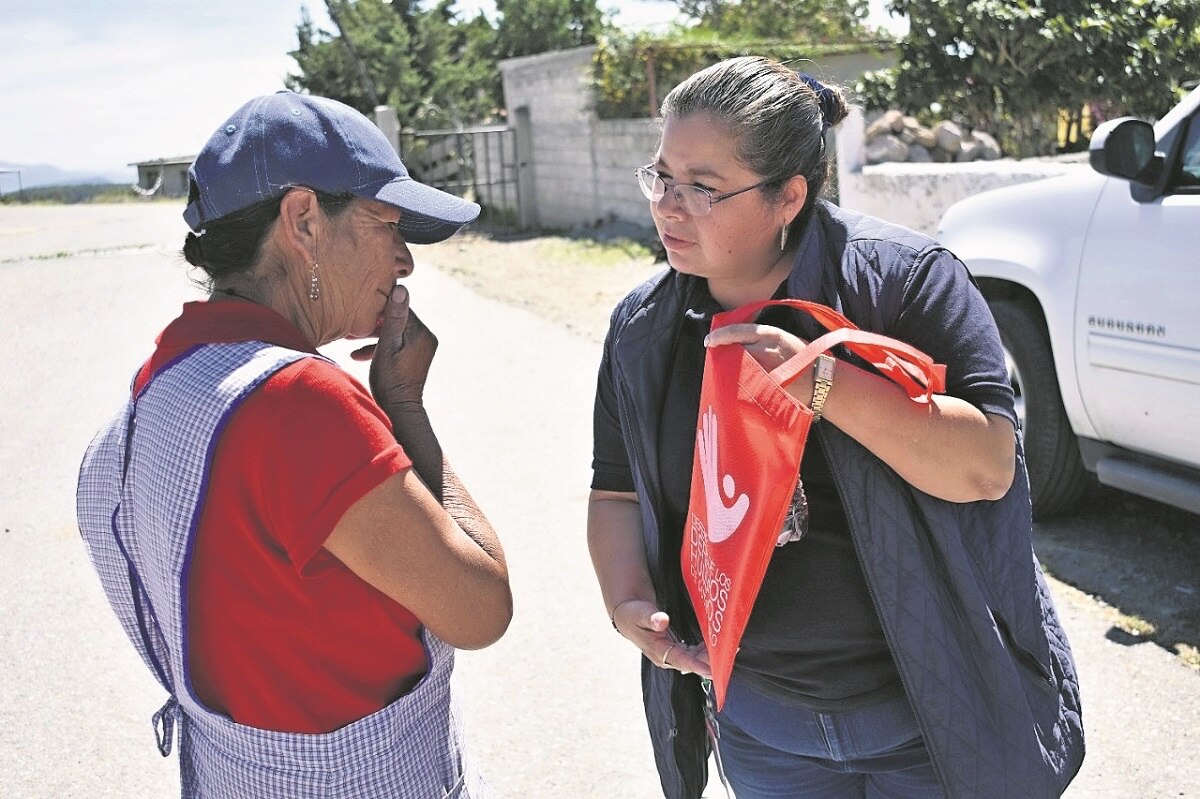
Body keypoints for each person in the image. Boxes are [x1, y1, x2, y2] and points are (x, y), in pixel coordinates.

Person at [587, 56, 1084, 799]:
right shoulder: (643, 327)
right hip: (761, 728)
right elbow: (617, 488)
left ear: (788, 196)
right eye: (659, 176)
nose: (668, 204)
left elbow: (987, 464)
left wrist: (823, 381)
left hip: (929, 720)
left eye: (702, 187)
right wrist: (628, 601)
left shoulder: (905, 282)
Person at [76, 91, 511, 798]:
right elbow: (482, 606)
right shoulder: (301, 403)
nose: (404, 260)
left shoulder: (155, 390)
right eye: (387, 224)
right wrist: (404, 406)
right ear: (303, 220)